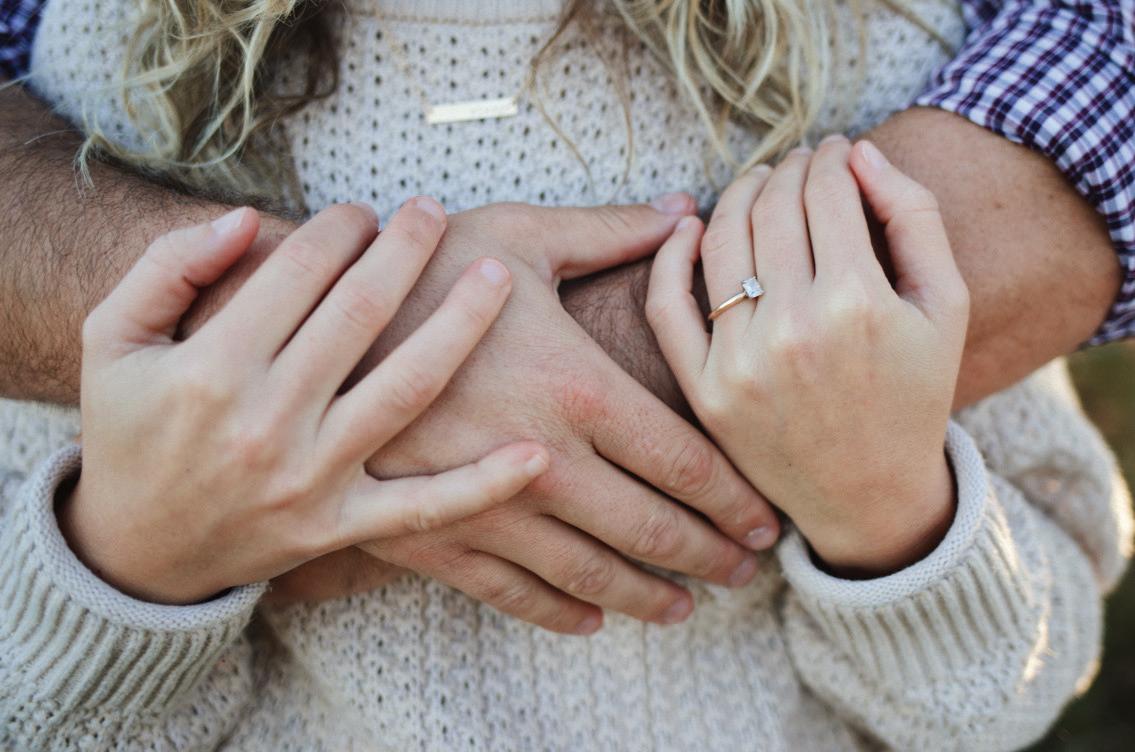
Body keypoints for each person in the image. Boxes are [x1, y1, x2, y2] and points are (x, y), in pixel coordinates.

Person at [0, 0, 1132, 746]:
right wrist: (140, 560)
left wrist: (884, 514)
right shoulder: (127, 58)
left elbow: (1001, 692)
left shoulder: (868, 39)